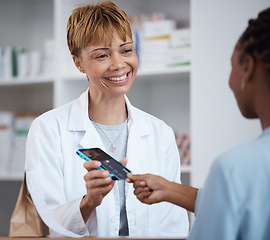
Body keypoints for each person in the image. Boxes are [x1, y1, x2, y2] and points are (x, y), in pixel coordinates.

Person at [24, 1, 189, 238]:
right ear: (78, 62)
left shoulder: (159, 132)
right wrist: (88, 202)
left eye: (126, 50)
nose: (119, 64)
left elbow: (174, 225)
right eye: (102, 55)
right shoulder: (48, 129)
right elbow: (42, 226)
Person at [127, 2, 270, 240]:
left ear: (248, 68)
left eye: (232, 67)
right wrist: (170, 189)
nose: (229, 82)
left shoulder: (235, 169)